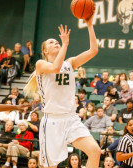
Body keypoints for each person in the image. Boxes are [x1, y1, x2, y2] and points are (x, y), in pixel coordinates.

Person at [23, 17, 101, 168]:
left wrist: (90, 25)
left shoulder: (70, 63)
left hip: (71, 119)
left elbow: (94, 50)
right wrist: (65, 44)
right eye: (51, 42)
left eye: (56, 41)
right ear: (45, 50)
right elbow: (55, 68)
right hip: (52, 121)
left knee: (95, 151)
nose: (55, 42)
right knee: (50, 166)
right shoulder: (41, 64)